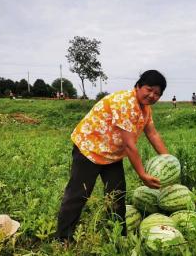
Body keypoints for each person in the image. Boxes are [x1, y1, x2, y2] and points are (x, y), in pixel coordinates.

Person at [56, 70, 169, 243]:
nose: (152, 95)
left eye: (157, 94)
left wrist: (169, 160)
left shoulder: (145, 110)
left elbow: (153, 134)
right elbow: (129, 145)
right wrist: (142, 174)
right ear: (138, 86)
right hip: (89, 149)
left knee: (117, 194)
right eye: (149, 89)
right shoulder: (125, 102)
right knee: (78, 194)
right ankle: (63, 239)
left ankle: (117, 236)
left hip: (111, 154)